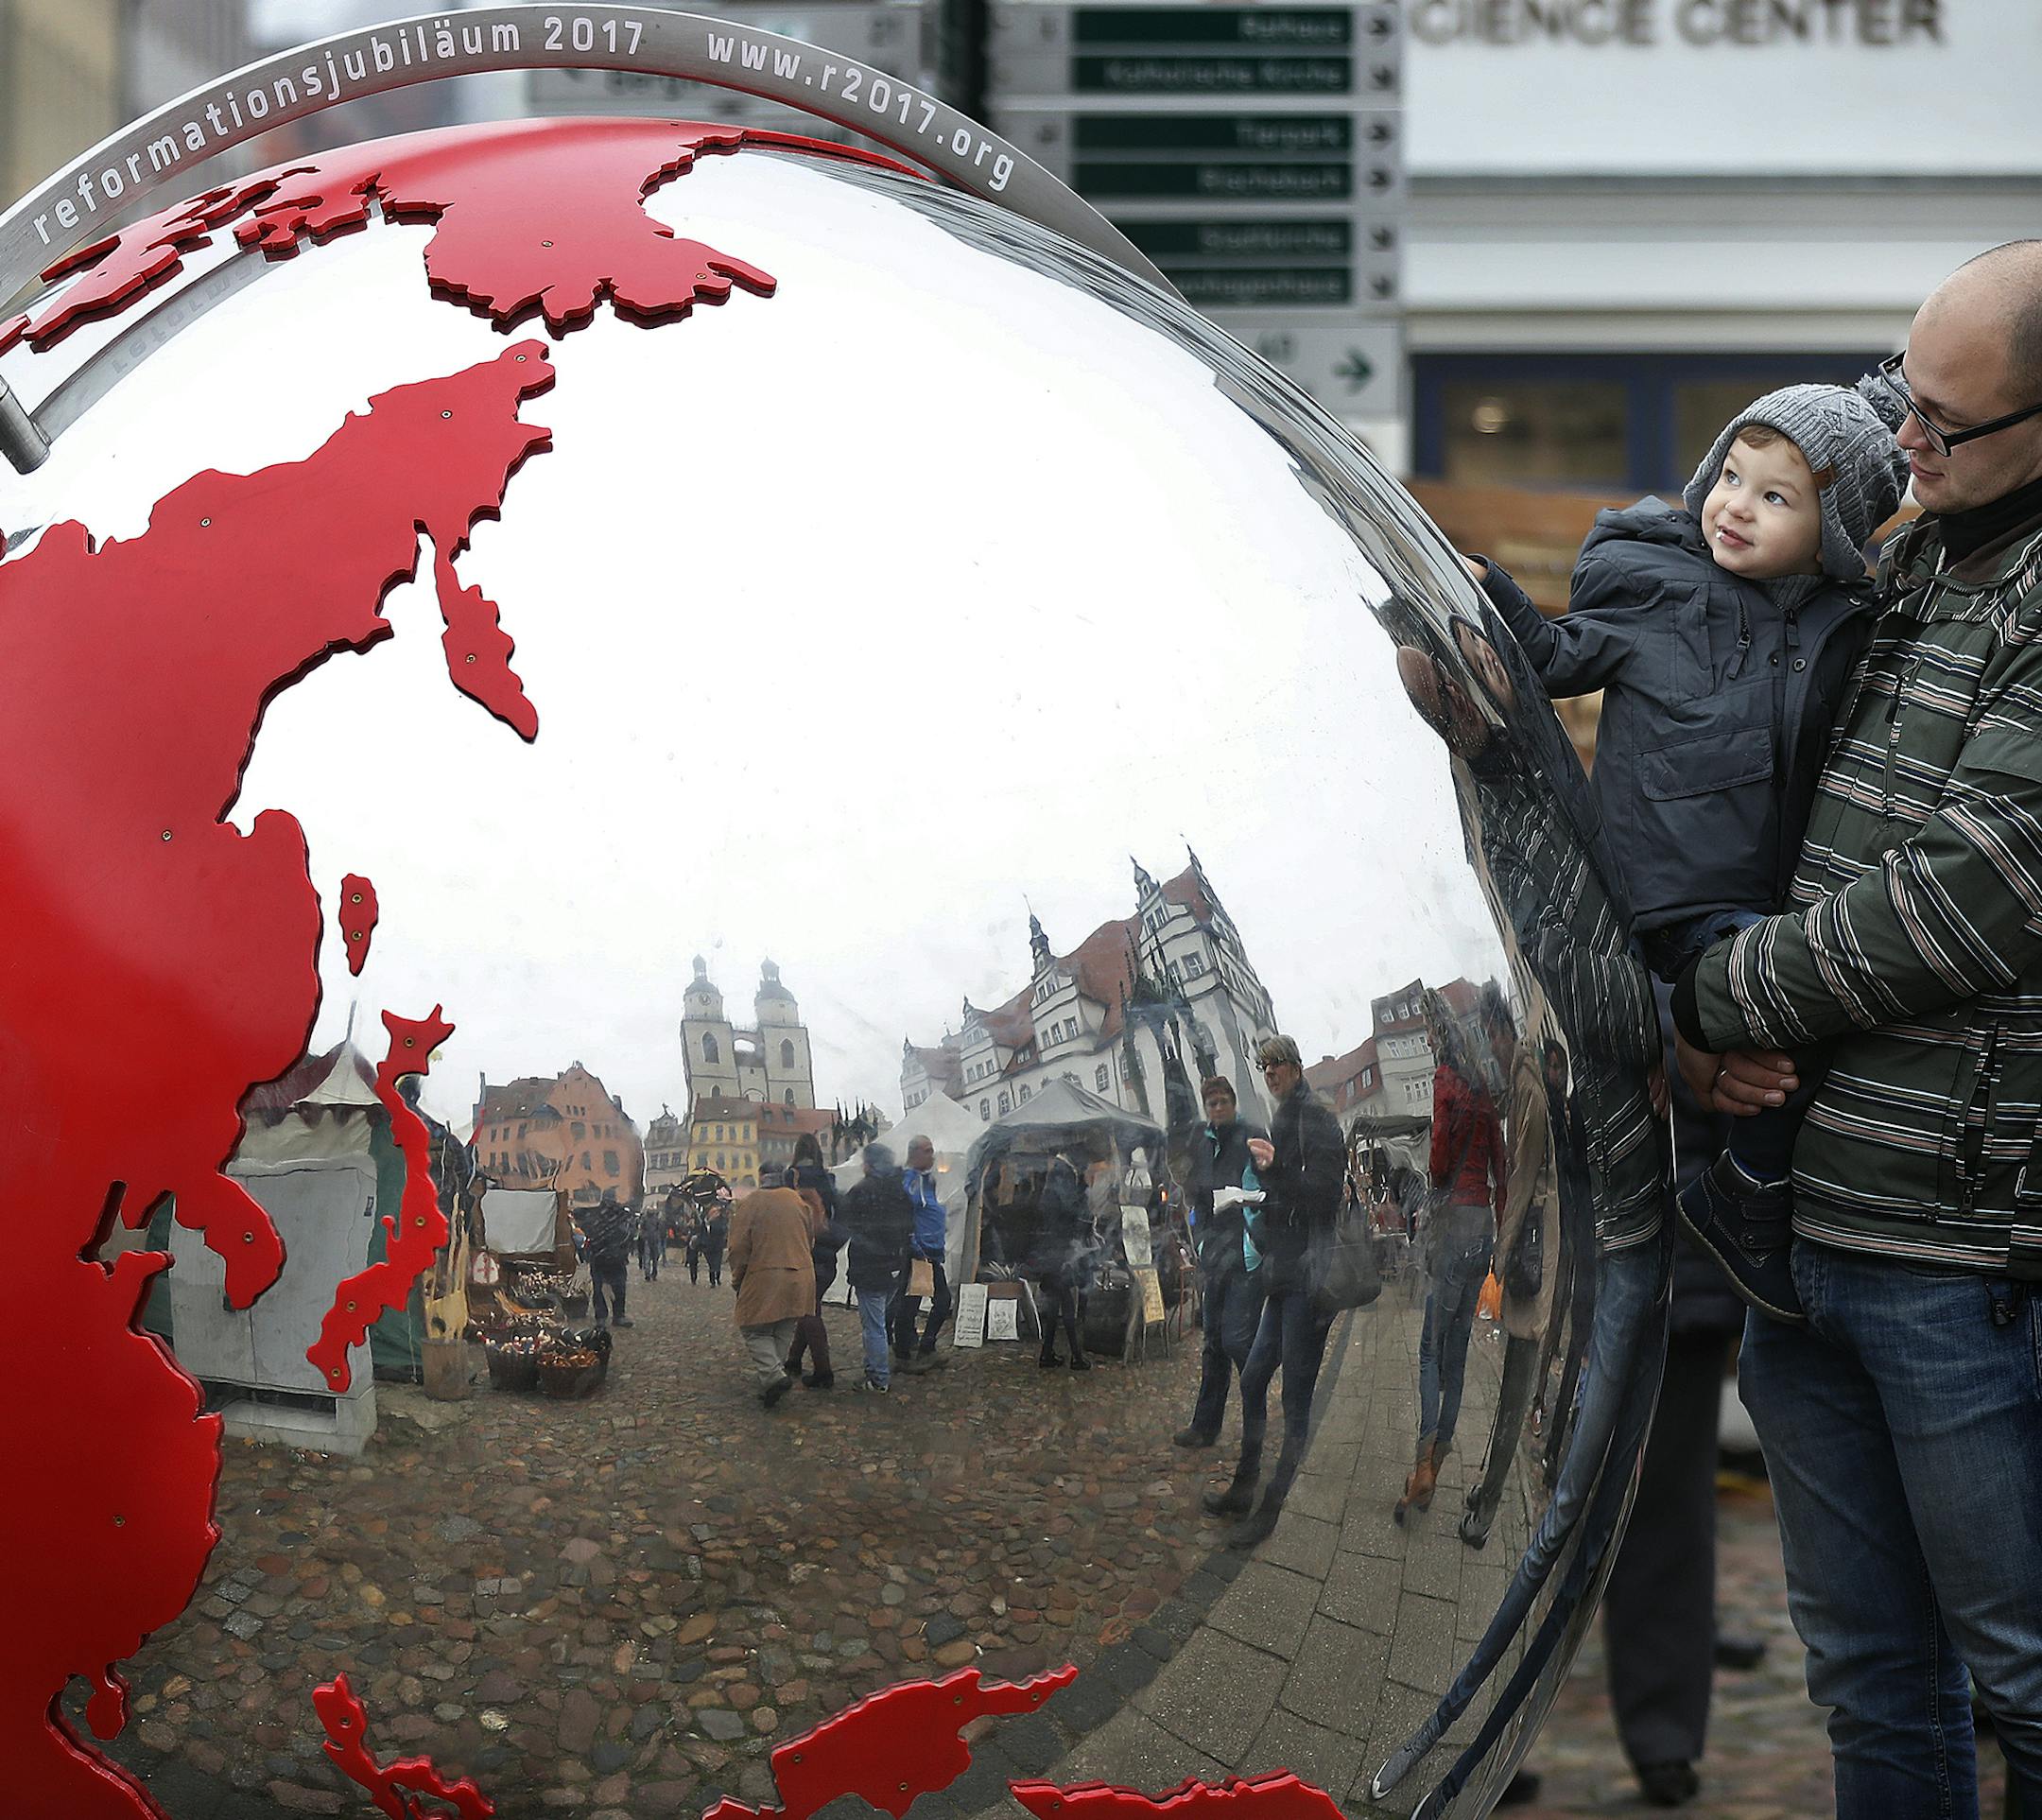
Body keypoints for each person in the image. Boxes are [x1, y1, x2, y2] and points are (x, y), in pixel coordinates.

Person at [1671, 242, 2042, 1816]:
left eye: (1947, 427)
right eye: (1908, 402)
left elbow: (1979, 894)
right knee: (1870, 1671)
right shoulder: (1904, 561)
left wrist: (1717, 991)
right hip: (1800, 1225)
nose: (1909, 444)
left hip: (1964, 1257)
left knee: (2023, 1668)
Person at [1465, 382, 1908, 1322]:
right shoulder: (1655, 593)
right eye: (1730, 475)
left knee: (1788, 1040)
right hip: (1658, 894)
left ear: (1830, 536)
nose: (1737, 503)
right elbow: (1551, 657)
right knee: (1782, 1000)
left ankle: (1733, 1179)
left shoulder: (1837, 626)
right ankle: (1744, 1190)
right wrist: (1490, 592)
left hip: (1749, 899)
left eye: (1776, 496)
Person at [1204, 1033, 1344, 1550]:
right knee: (1253, 1377)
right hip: (1282, 1275)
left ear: (1295, 1066)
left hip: (1310, 1280)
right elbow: (1286, 1194)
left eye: (1276, 1067)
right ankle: (1245, 1486)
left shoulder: (1317, 1118)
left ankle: (1271, 1507)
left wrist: (1274, 1171)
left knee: (1297, 1400)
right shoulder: (1285, 1116)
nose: (1269, 1076)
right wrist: (1252, 1197)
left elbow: (1323, 1198)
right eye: (1264, 1069)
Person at [1399, 997, 1505, 1524]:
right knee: (1458, 1356)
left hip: (1454, 1221)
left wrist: (1438, 1170)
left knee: (1428, 1352)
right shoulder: (1483, 1086)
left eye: (1426, 1034)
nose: (1425, 1042)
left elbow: (1439, 1160)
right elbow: (1501, 1168)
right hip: (1482, 1225)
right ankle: (1436, 1469)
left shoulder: (1445, 1080)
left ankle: (1421, 1464)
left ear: (1437, 1036)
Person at [1459, 989, 1556, 1551]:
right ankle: (1486, 1488)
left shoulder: (1527, 1088)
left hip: (1533, 1250)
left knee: (1517, 1382)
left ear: (1498, 1033)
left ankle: (1489, 1507)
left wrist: (1503, 1247)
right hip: (1533, 1244)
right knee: (1510, 1383)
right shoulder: (1522, 1081)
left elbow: (1524, 1178)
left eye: (1487, 1039)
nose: (1488, 1051)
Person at [1174, 1075, 1268, 1449]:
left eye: (1222, 1102)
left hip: (1245, 1253)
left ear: (1232, 1103)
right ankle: (1205, 1426)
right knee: (1213, 1343)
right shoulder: (1202, 1142)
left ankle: (1254, 1425)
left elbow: (1270, 1189)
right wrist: (1198, 1237)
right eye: (1211, 1103)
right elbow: (1196, 1198)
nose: (1217, 1108)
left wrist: (1246, 1204)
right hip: (1214, 1256)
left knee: (1238, 1341)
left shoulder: (1252, 1135)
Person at [727, 1175, 819, 1409]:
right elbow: (811, 1238)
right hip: (801, 1274)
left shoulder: (752, 1202)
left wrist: (738, 1277)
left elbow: (738, 1247)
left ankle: (773, 1376)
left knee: (753, 1328)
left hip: (766, 1274)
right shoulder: (797, 1201)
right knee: (784, 1326)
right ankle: (772, 1381)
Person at [840, 1142, 914, 1393]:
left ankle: (879, 1379)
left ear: (868, 1164)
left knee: (874, 1327)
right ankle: (873, 1367)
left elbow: (844, 1224)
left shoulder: (862, 1190)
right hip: (896, 1265)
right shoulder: (899, 1188)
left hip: (870, 1267)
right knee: (880, 1322)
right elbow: (909, 1225)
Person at [890, 1135, 952, 1371]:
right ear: (915, 1153)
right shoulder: (909, 1181)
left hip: (932, 1252)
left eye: (932, 1150)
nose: (932, 1155)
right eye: (927, 1151)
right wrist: (915, 1245)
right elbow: (905, 1216)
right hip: (919, 1253)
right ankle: (905, 1354)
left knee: (940, 1301)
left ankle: (924, 1347)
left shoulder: (928, 1180)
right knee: (911, 1303)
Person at [1031, 1153, 1093, 1369]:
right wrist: (1082, 1191)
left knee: (1057, 1302)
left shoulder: (1057, 1175)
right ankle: (1075, 1357)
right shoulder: (1062, 1174)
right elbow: (1068, 1211)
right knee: (1066, 1303)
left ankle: (1047, 1354)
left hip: (1052, 1250)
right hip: (1058, 1251)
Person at [576, 1189, 636, 1331]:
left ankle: (615, 1316)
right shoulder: (597, 1213)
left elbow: (629, 1231)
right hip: (603, 1257)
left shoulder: (620, 1214)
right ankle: (604, 1317)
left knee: (617, 1287)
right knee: (601, 1289)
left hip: (614, 1257)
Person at [701, 1192, 729, 1288]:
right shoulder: (705, 1220)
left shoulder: (721, 1221)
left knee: (717, 1264)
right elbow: (702, 1232)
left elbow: (723, 1230)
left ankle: (717, 1279)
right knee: (712, 1264)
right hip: (709, 1246)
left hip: (718, 1244)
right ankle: (713, 1281)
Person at [636, 1198, 664, 1282]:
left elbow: (659, 1229)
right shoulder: (652, 1219)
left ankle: (650, 1274)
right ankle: (650, 1274)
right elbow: (659, 1229)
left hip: (651, 1240)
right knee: (651, 1258)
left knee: (651, 1258)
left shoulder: (650, 1219)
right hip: (651, 1240)